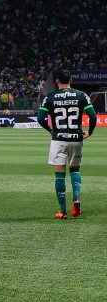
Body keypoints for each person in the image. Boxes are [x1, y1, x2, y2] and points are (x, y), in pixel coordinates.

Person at [37, 69, 97, 219]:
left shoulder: (50, 97)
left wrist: (50, 130)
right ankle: (76, 199)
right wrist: (90, 132)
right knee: (75, 169)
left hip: (59, 138)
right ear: (71, 80)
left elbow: (40, 118)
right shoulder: (82, 95)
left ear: (57, 81)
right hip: (77, 137)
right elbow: (93, 117)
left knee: (59, 175)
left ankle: (63, 211)